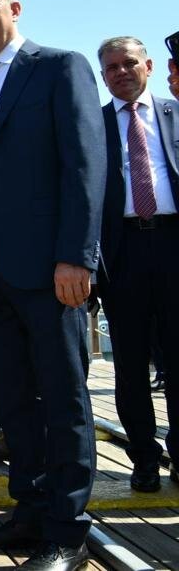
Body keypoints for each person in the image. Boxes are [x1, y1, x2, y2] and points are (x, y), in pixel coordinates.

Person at [0, 0, 105, 570]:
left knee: (63, 398)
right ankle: (30, 512)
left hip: (50, 268)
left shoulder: (60, 67)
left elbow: (85, 165)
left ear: (14, 8)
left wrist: (78, 255)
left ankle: (67, 531)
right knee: (14, 400)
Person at [96, 36, 179, 490]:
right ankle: (144, 458)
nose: (121, 72)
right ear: (103, 76)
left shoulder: (174, 111)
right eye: (111, 68)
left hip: (172, 242)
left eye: (129, 63)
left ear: (148, 66)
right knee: (129, 364)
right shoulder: (94, 124)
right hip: (122, 251)